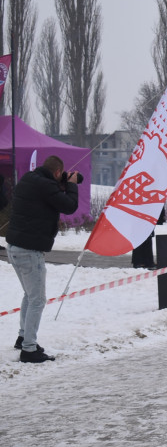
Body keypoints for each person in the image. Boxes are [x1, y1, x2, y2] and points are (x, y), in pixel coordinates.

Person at [7, 155, 80, 362]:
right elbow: (69, 206)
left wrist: (62, 183)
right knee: (37, 300)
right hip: (29, 251)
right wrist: (72, 185)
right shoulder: (47, 187)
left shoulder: (29, 179)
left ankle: (23, 338)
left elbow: (48, 197)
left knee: (29, 296)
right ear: (57, 172)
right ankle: (29, 350)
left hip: (14, 246)